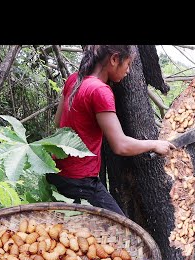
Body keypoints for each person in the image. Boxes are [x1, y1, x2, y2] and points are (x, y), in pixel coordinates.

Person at [46, 45, 175, 216]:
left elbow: (58, 121)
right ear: (114, 59)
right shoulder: (100, 91)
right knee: (122, 231)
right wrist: (154, 144)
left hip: (57, 172)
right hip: (80, 180)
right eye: (128, 64)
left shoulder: (74, 79)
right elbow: (120, 145)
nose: (128, 71)